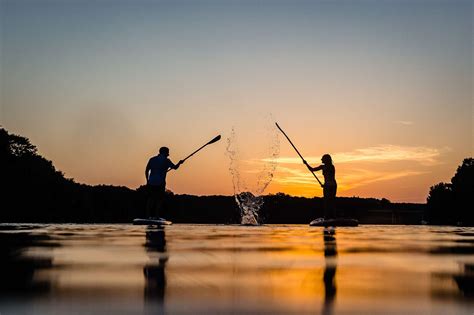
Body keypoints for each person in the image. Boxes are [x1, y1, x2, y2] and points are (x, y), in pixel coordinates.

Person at [145, 147, 183, 219]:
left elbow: (147, 170)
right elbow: (175, 167)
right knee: (159, 199)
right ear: (165, 152)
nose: (168, 154)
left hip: (151, 182)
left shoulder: (152, 159)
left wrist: (147, 180)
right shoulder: (166, 160)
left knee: (150, 199)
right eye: (168, 152)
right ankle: (156, 216)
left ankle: (147, 216)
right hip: (160, 183)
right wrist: (179, 163)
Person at [304, 154, 337, 219]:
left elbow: (329, 176)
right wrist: (306, 164)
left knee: (328, 201)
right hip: (331, 185)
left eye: (323, 158)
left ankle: (328, 216)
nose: (321, 160)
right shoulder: (327, 166)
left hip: (330, 185)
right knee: (330, 201)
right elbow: (312, 169)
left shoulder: (330, 167)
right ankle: (330, 216)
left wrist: (325, 185)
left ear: (326, 160)